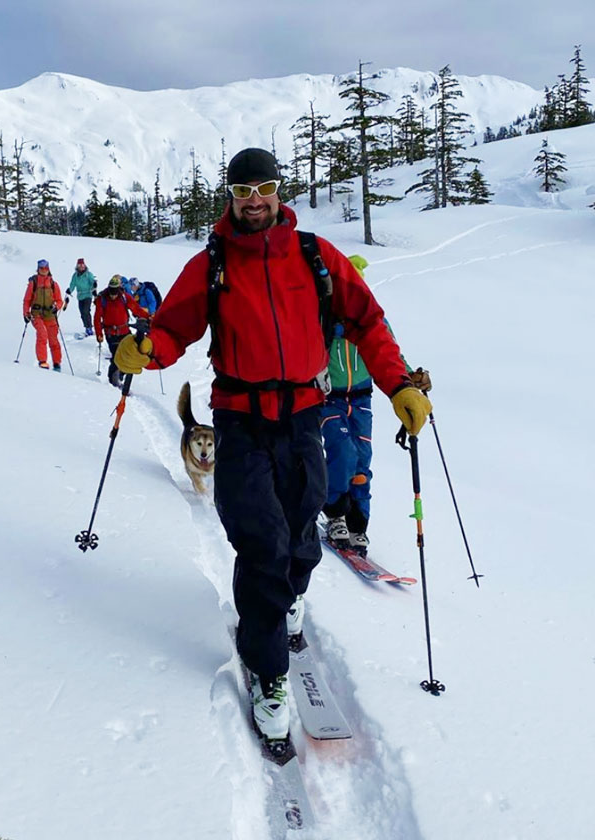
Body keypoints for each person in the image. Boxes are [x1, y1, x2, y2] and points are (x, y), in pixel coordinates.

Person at [112, 147, 432, 743]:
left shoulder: (315, 255)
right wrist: (148, 349)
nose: (254, 199)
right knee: (261, 542)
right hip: (240, 419)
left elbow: (367, 320)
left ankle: (292, 598)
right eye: (242, 190)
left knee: (301, 531)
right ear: (229, 197)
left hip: (304, 417)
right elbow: (176, 326)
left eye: (265, 187)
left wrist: (398, 386)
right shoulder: (212, 263)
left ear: (279, 190)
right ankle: (269, 673)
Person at [319, 254, 431, 556]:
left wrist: (408, 379)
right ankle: (335, 514)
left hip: (362, 397)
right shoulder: (323, 318)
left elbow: (388, 352)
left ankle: (358, 524)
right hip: (329, 398)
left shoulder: (373, 319)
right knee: (342, 450)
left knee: (362, 458)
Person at [94, 275, 149, 387]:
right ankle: (112, 380)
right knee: (116, 358)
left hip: (125, 332)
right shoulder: (102, 299)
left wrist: (148, 317)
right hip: (111, 333)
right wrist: (99, 334)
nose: (113, 295)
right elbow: (96, 318)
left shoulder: (125, 297)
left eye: (115, 292)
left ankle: (120, 375)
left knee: (128, 356)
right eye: (111, 292)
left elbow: (136, 309)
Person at [23, 259, 63, 371]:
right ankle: (42, 361)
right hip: (36, 314)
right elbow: (27, 300)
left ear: (49, 269)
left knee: (53, 339)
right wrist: (26, 313)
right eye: (41, 268)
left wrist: (57, 307)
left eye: (46, 268)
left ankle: (57, 363)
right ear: (38, 269)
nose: (44, 270)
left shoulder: (53, 284)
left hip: (50, 314)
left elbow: (59, 300)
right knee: (42, 335)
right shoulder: (33, 283)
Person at [65, 258, 97, 336]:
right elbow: (73, 284)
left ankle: (89, 327)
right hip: (80, 296)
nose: (82, 266)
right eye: (80, 265)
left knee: (86, 311)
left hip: (88, 295)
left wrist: (94, 285)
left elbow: (92, 281)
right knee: (82, 313)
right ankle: (86, 327)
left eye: (83, 265)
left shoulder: (88, 274)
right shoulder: (75, 276)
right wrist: (70, 290)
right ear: (77, 266)